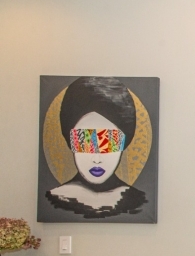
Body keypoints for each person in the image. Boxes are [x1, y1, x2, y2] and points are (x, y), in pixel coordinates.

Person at [45, 77, 147, 219]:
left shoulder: (139, 202)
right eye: (85, 141)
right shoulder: (53, 199)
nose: (97, 159)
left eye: (108, 142)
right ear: (70, 141)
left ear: (124, 142)